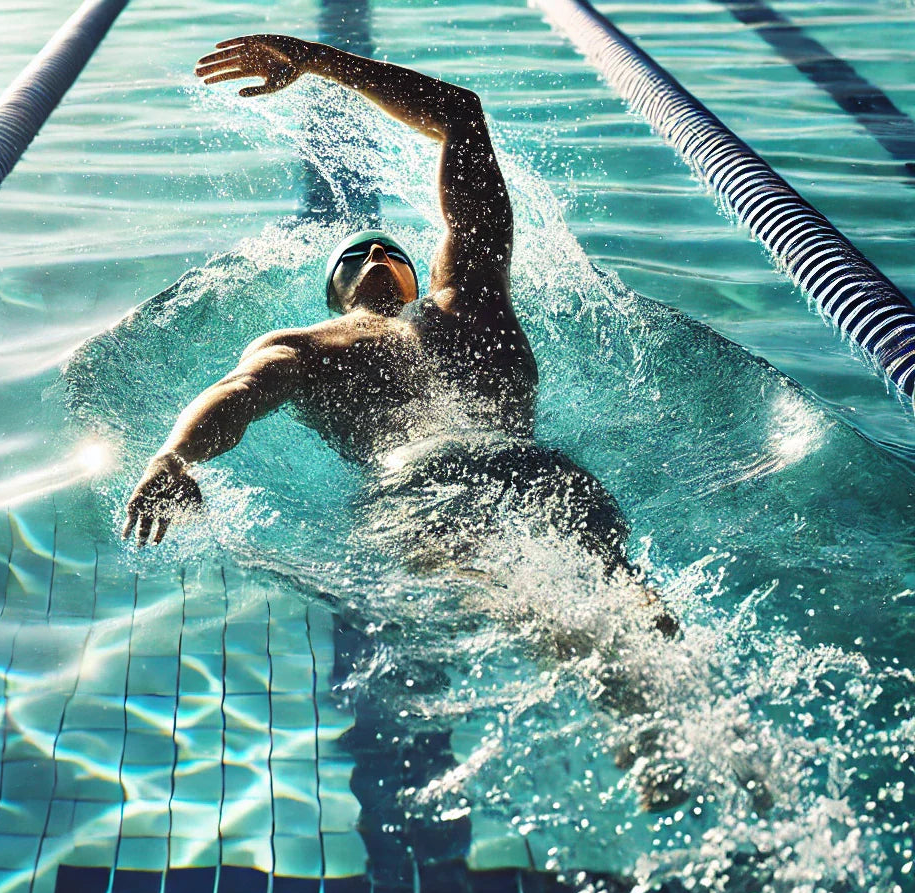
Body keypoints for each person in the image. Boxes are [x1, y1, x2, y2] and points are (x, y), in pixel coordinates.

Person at [123, 33, 676, 639]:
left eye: (390, 249)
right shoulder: (308, 348)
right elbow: (242, 389)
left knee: (630, 613)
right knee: (545, 621)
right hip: (421, 488)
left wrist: (316, 60)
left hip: (521, 471)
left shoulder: (470, 301)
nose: (377, 252)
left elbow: (460, 115)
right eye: (357, 252)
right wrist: (175, 455)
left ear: (418, 277)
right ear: (335, 294)